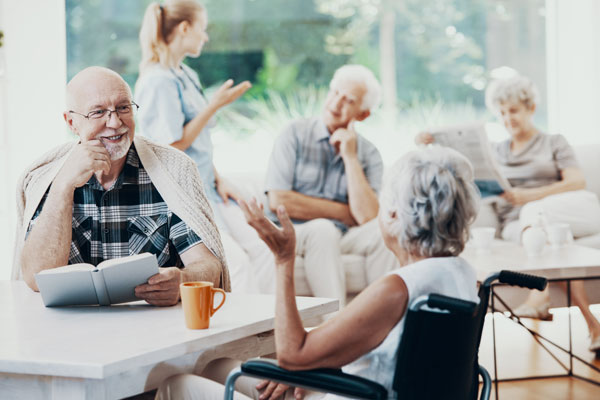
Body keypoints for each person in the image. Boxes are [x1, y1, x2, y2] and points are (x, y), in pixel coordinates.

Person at [154, 145, 481, 399]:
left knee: (177, 386)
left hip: (356, 395)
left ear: (394, 214)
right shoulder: (462, 275)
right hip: (372, 388)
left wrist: (284, 258)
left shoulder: (397, 289)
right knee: (217, 367)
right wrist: (304, 368)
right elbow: (388, 353)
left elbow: (294, 356)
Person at [416, 73, 600, 353]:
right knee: (536, 232)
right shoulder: (496, 151)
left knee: (534, 213)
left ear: (531, 109)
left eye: (513, 111)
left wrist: (528, 197)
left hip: (569, 210)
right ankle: (594, 326)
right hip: (520, 226)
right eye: (501, 113)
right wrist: (431, 146)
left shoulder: (553, 142)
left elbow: (577, 181)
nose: (507, 118)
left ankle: (541, 299)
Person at [14, 66, 230, 304]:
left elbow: (210, 267)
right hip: (70, 331)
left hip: (154, 329)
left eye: (123, 108)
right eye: (98, 112)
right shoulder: (45, 176)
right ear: (71, 122)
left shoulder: (173, 170)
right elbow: (37, 278)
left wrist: (183, 280)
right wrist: (63, 185)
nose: (115, 123)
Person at [135, 0, 272, 294]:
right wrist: (214, 107)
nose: (205, 37)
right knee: (236, 265)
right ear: (185, 28)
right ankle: (241, 333)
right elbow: (172, 148)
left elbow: (198, 145)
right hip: (185, 195)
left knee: (264, 248)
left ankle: (272, 330)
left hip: (209, 187)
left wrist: (220, 179)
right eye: (203, 29)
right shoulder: (158, 81)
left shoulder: (185, 74)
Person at [263, 64, 398, 307]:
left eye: (348, 100)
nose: (336, 104)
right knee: (323, 230)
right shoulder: (294, 133)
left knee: (385, 229)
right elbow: (279, 201)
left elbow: (367, 217)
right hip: (295, 231)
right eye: (335, 93)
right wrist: (344, 212)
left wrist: (350, 157)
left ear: (363, 114)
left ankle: (384, 320)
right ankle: (336, 328)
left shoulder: (369, 154)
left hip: (343, 234)